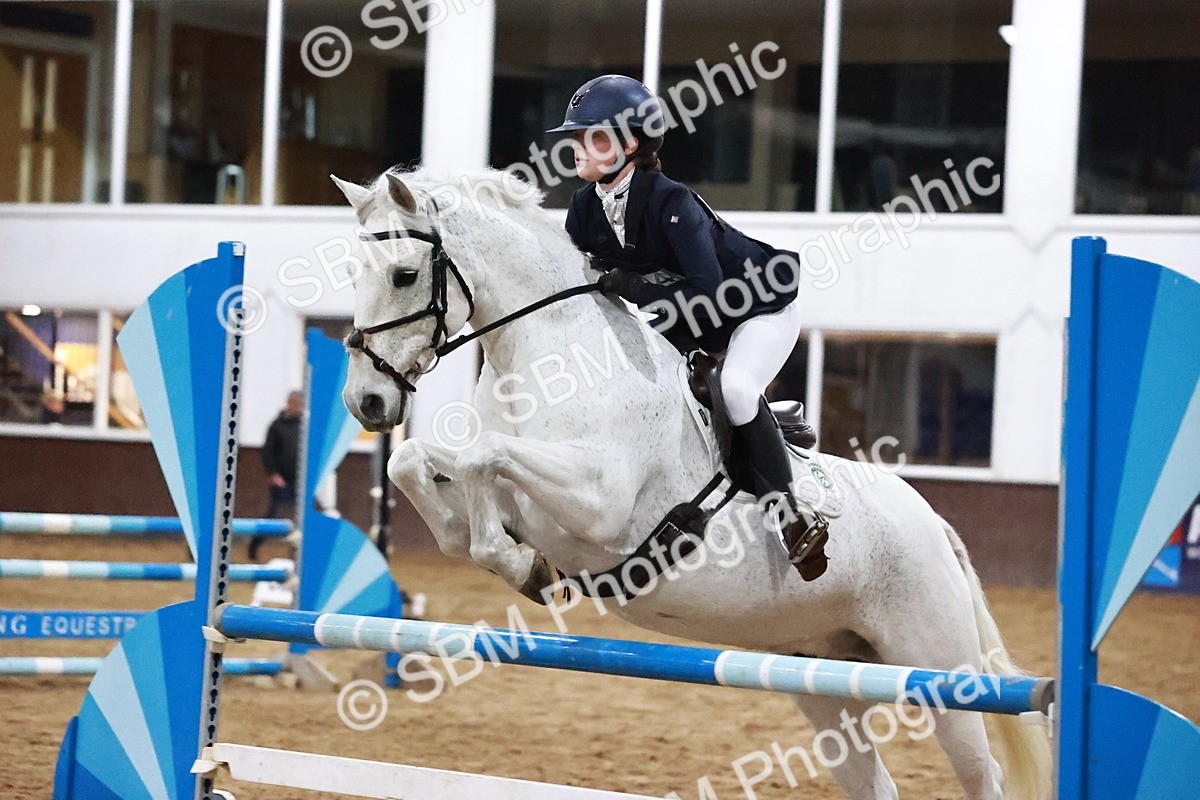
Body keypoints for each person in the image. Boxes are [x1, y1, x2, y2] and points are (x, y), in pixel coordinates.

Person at [547, 74, 827, 580]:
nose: (577, 146)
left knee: (736, 388)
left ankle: (790, 515)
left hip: (755, 308)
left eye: (594, 136)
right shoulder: (585, 208)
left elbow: (709, 292)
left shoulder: (671, 202)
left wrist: (635, 288)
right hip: (689, 320)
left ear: (630, 145)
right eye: (576, 136)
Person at [249, 390, 302, 561]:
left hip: (301, 481)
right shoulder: (277, 426)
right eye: (294, 403)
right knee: (273, 515)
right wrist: (273, 474)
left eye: (299, 404)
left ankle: (298, 555)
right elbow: (268, 452)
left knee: (305, 519)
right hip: (282, 480)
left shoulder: (305, 425)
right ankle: (254, 546)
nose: (296, 407)